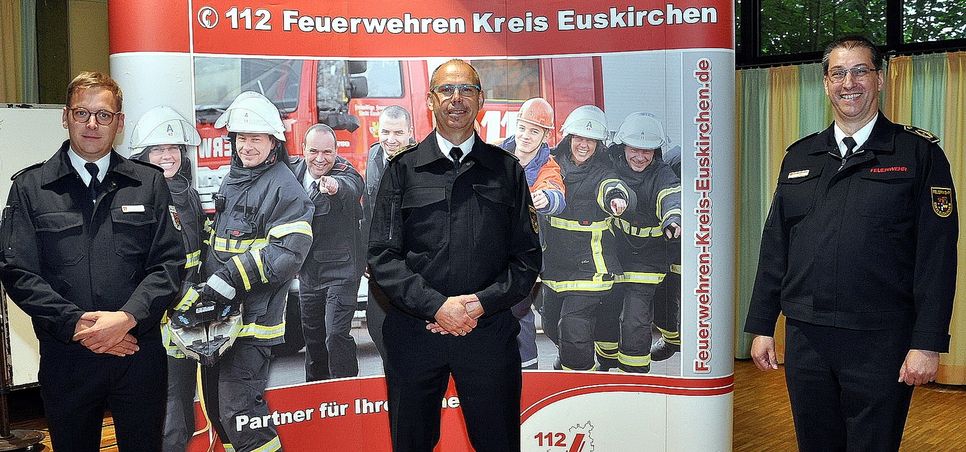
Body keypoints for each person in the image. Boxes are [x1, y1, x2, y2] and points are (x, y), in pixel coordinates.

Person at [744, 35, 958, 451]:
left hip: (881, 340)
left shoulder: (918, 155)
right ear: (825, 83)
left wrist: (927, 342)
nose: (849, 82)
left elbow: (936, 258)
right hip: (808, 338)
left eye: (860, 70)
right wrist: (760, 325)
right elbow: (775, 249)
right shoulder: (799, 157)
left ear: (880, 79)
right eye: (838, 73)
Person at [0, 71, 184, 451]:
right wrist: (80, 325)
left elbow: (169, 264)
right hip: (67, 357)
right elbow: (18, 272)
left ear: (119, 123)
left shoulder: (148, 183)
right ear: (65, 117)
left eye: (103, 115)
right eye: (82, 113)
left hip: (136, 352)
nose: (91, 124)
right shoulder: (31, 188)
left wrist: (127, 318)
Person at [368, 59, 541, 451]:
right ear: (430, 100)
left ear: (480, 100)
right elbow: (382, 257)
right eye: (446, 90)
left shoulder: (505, 170)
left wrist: (478, 305)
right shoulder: (403, 170)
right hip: (415, 336)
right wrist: (436, 306)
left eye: (467, 90)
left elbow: (527, 260)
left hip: (488, 334)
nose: (456, 98)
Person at [200, 91, 314, 452]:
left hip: (252, 326)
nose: (247, 147)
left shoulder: (286, 188)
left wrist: (226, 279)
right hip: (221, 323)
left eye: (255, 139)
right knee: (221, 414)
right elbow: (221, 243)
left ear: (273, 143)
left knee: (242, 415)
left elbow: (285, 256)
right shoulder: (234, 178)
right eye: (241, 139)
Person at [130, 105, 206, 451]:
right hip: (153, 320)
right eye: (158, 149)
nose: (167, 156)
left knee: (180, 404)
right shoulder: (136, 196)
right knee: (162, 405)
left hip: (183, 317)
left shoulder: (186, 194)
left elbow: (199, 252)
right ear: (144, 154)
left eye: (173, 148)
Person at [541, 105, 632, 371]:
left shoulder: (606, 170)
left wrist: (617, 199)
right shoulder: (551, 162)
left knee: (573, 325)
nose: (584, 144)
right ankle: (572, 353)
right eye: (579, 137)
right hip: (555, 263)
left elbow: (612, 187)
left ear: (598, 143)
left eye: (590, 140)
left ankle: (581, 378)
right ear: (569, 137)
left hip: (590, 265)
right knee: (550, 324)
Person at [595, 112, 681, 373]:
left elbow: (671, 196)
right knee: (607, 307)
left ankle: (635, 373)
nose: (641, 157)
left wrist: (673, 219)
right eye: (635, 149)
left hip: (649, 256)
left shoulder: (662, 173)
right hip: (616, 251)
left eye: (648, 151)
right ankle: (607, 360)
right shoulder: (611, 163)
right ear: (623, 147)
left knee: (636, 315)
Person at [292, 123, 364, 380]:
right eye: (313, 151)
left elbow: (352, 188)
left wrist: (335, 187)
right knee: (313, 341)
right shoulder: (292, 171)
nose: (320, 159)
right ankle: (316, 400)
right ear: (303, 150)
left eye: (327, 152)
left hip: (342, 272)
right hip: (308, 273)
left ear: (336, 151)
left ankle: (346, 397)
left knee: (335, 335)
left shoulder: (346, 173)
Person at [499, 97, 566, 369]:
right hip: (490, 252)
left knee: (518, 312)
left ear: (545, 135)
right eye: (523, 128)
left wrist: (546, 199)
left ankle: (528, 372)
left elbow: (556, 194)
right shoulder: (494, 154)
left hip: (522, 256)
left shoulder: (547, 166)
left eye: (534, 131)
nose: (526, 136)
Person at [362, 105, 415, 362]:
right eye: (385, 132)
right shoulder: (373, 157)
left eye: (398, 133)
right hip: (382, 259)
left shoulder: (424, 162)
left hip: (413, 262)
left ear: (409, 133)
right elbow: (369, 212)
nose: (391, 140)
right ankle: (395, 371)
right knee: (376, 322)